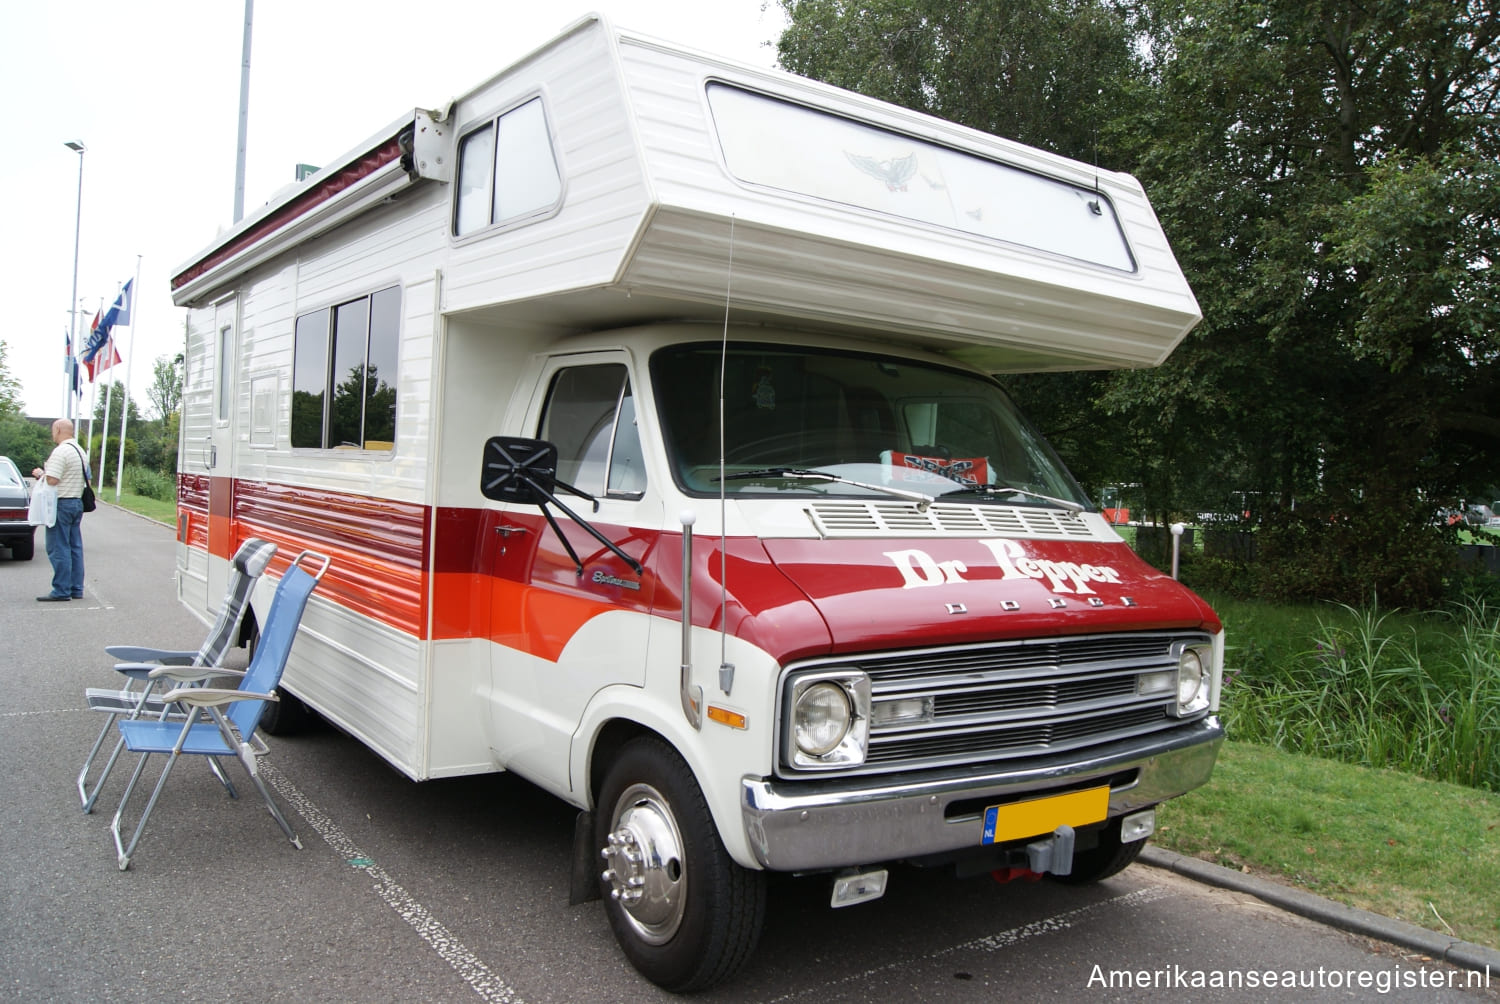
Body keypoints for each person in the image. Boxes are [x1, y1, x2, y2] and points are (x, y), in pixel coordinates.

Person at [32, 418, 88, 602]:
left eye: (52, 429)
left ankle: (61, 589)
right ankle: (76, 588)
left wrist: (42, 474)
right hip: (76, 502)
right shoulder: (80, 450)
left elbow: (52, 480)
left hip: (62, 503)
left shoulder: (61, 451)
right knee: (74, 547)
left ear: (57, 429)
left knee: (58, 547)